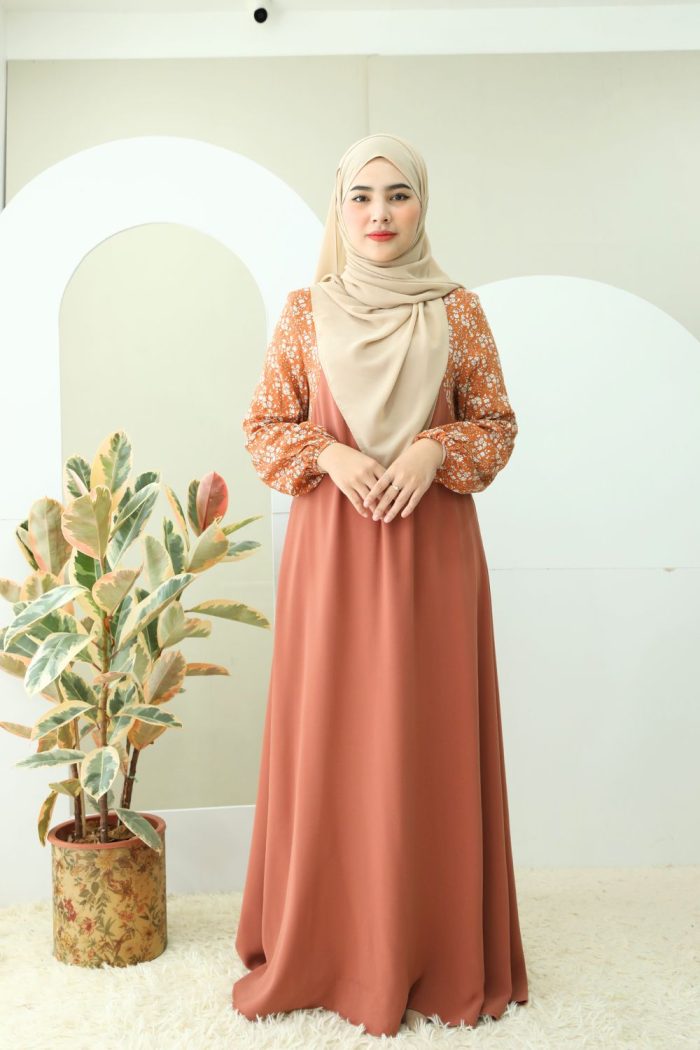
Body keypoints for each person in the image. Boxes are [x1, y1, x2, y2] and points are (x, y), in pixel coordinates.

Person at [232, 132, 529, 1037]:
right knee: (333, 735)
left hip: (432, 557)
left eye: (398, 195)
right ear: (339, 206)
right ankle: (329, 946)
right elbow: (264, 428)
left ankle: (430, 945)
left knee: (425, 738)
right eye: (361, 196)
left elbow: (496, 425)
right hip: (332, 556)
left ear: (421, 205)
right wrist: (330, 454)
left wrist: (434, 448)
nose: (378, 213)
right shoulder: (305, 312)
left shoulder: (459, 311)